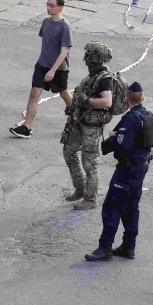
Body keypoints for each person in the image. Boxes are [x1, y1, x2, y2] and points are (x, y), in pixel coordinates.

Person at [85, 82, 153, 261]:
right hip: (141, 167)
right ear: (142, 97)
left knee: (112, 206)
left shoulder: (130, 119)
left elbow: (122, 145)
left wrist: (110, 139)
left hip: (127, 169)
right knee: (131, 206)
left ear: (126, 98)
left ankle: (105, 247)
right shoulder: (149, 116)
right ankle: (128, 246)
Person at [10, 0, 73, 139]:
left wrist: (52, 70)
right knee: (34, 93)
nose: (48, 8)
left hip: (58, 68)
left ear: (60, 7)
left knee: (64, 94)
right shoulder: (45, 22)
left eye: (52, 5)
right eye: (47, 4)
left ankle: (78, 117)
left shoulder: (65, 27)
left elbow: (64, 52)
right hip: (41, 65)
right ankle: (26, 128)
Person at [64, 42, 114, 211]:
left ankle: (90, 198)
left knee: (89, 162)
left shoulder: (104, 79)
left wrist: (86, 101)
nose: (85, 58)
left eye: (89, 55)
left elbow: (107, 101)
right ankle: (80, 187)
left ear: (95, 58)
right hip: (81, 121)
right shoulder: (91, 76)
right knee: (69, 151)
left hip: (92, 126)